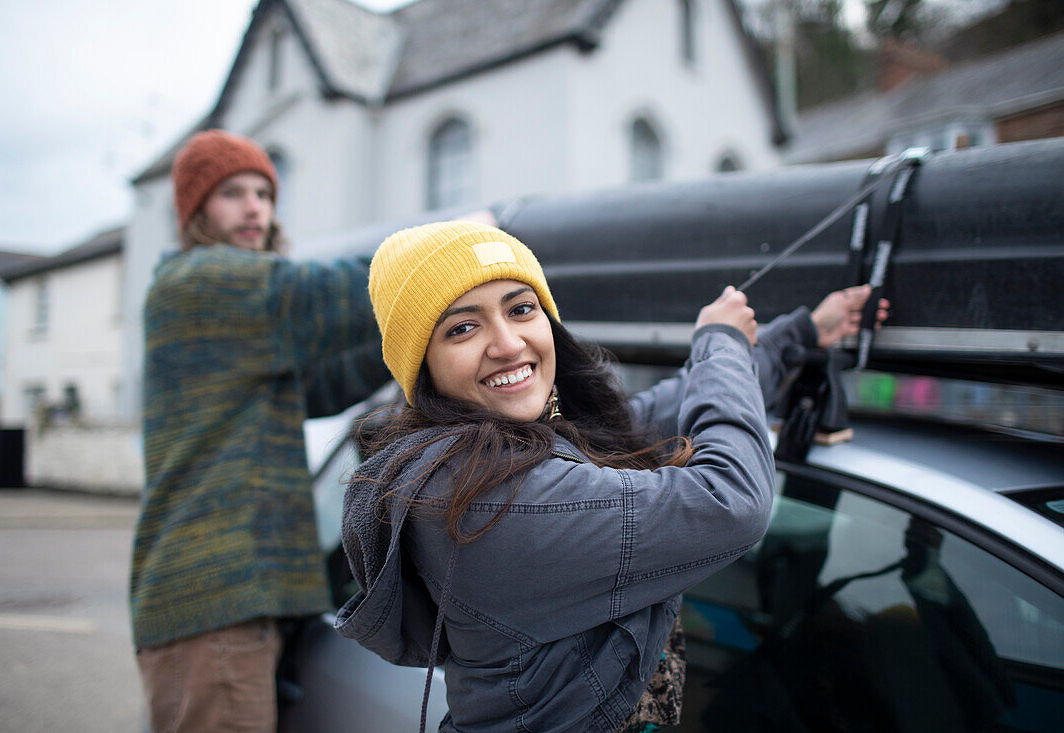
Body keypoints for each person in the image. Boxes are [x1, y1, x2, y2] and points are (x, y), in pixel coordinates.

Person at [335, 220, 780, 731]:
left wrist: (792, 339)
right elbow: (732, 502)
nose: (507, 344)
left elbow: (642, 419)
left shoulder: (511, 444)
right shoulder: (482, 499)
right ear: (423, 368)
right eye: (462, 328)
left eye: (521, 309)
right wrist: (722, 345)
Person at [128, 129, 388, 733]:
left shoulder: (247, 325)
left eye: (264, 194)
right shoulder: (200, 282)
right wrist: (459, 246)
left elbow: (322, 384)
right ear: (195, 211)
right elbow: (327, 295)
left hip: (227, 606)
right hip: (215, 602)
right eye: (232, 194)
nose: (254, 208)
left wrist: (420, 338)